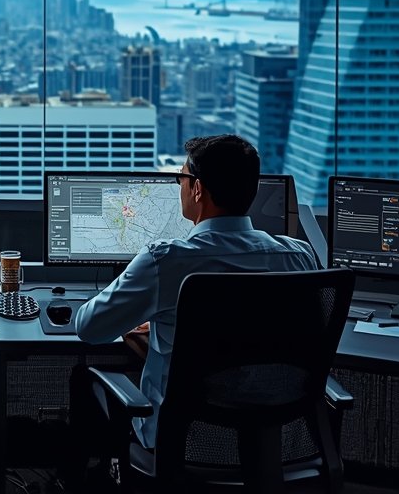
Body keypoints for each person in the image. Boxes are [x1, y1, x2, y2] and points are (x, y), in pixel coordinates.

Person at [65, 134, 319, 489]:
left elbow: (89, 328)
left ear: (198, 189)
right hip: (269, 442)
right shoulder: (298, 257)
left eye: (181, 178)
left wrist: (152, 323)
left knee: (83, 377)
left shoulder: (167, 260)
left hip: (180, 441)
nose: (180, 187)